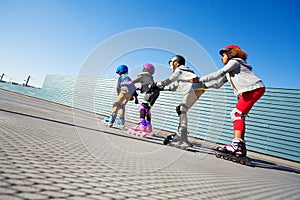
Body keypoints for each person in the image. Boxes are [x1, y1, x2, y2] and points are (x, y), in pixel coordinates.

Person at [200, 44, 265, 158]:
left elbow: (219, 73)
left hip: (253, 89)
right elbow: (218, 83)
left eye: (223, 55)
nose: (221, 58)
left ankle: (237, 146)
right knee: (238, 115)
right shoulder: (232, 71)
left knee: (237, 114)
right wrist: (202, 86)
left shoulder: (234, 62)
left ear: (231, 53)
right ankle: (240, 145)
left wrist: (200, 79)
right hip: (254, 89)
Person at [157, 55, 205, 148]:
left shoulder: (180, 70)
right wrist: (160, 88)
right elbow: (172, 87)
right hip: (197, 89)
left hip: (195, 88)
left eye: (171, 63)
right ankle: (183, 135)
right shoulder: (181, 74)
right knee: (180, 109)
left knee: (182, 108)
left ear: (176, 63)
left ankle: (182, 136)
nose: (170, 66)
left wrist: (158, 84)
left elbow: (169, 80)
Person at [121, 63, 161, 136]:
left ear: (145, 69)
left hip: (151, 93)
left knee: (142, 107)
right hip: (156, 92)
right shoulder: (150, 77)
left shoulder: (143, 76)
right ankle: (148, 127)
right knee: (147, 109)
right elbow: (147, 86)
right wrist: (138, 88)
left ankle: (142, 125)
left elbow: (131, 82)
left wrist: (123, 83)